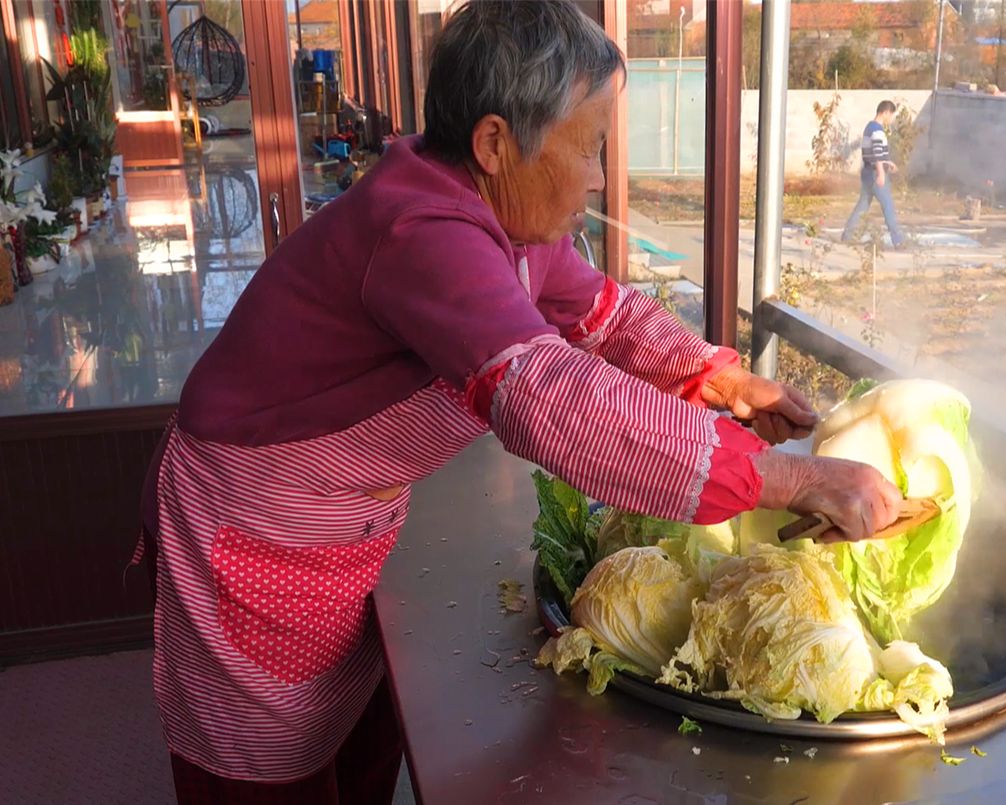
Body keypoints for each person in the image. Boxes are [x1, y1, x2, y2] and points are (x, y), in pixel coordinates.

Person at [137, 2, 903, 802]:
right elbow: (551, 398)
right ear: (496, 143)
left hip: (346, 523)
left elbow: (604, 314)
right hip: (258, 532)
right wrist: (789, 479)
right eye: (591, 148)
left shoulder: (511, 227)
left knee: (356, 732)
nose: (601, 177)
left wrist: (723, 380)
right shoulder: (423, 229)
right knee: (270, 771)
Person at [841, 100, 907, 248]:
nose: (891, 119)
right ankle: (898, 241)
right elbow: (877, 153)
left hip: (867, 172)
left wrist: (887, 162)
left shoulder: (869, 127)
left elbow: (872, 152)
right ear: (885, 113)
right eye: (891, 115)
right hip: (875, 173)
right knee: (888, 206)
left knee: (862, 205)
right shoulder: (877, 130)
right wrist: (881, 172)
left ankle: (847, 235)